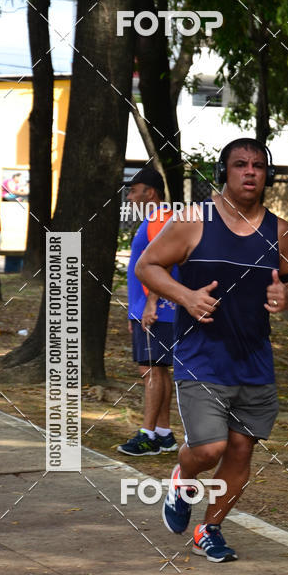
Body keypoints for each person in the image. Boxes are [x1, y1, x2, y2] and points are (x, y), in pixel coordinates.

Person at [135, 138, 288, 562]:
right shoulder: (194, 220)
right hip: (202, 356)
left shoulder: (281, 231)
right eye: (240, 164)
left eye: (258, 166)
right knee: (209, 448)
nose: (250, 172)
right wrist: (186, 296)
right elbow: (147, 266)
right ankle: (183, 478)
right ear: (223, 173)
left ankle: (209, 530)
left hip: (254, 360)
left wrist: (287, 298)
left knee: (241, 449)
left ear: (267, 175)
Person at [117, 167, 179, 456]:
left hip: (159, 308)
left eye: (133, 191)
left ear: (150, 192)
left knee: (151, 369)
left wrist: (151, 303)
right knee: (157, 368)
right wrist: (135, 311)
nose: (129, 197)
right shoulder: (155, 219)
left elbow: (164, 261)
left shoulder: (161, 218)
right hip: (149, 308)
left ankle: (148, 435)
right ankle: (164, 434)